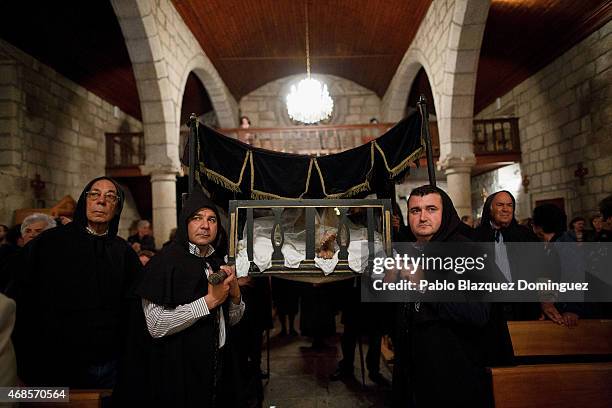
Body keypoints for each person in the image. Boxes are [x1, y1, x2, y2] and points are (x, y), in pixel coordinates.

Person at [12, 177, 142, 388]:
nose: (101, 201)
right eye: (94, 194)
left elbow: (135, 309)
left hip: (111, 365)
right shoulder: (49, 244)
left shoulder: (123, 252)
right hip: (55, 362)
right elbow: (19, 298)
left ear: (117, 208)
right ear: (85, 201)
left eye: (110, 197)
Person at [121, 187, 245, 407]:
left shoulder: (217, 262)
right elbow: (156, 325)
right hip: (180, 370)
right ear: (185, 222)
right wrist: (208, 302)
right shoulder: (164, 263)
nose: (205, 225)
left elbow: (231, 321)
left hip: (217, 365)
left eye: (212, 219)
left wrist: (236, 297)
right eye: (197, 218)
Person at [388, 185, 493, 407]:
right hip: (412, 370)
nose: (423, 217)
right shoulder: (407, 251)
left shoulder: (469, 251)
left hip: (452, 370)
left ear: (445, 213)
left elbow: (478, 313)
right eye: (415, 211)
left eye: (431, 209)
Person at [473, 190, 541, 320]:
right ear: (489, 208)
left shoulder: (526, 236)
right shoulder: (476, 238)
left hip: (522, 307)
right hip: (489, 310)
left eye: (509, 205)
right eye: (500, 205)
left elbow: (539, 271)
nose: (506, 209)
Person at [532, 204, 583, 327]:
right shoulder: (552, 244)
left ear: (540, 225)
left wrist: (572, 308)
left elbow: (574, 275)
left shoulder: (564, 244)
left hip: (568, 314)